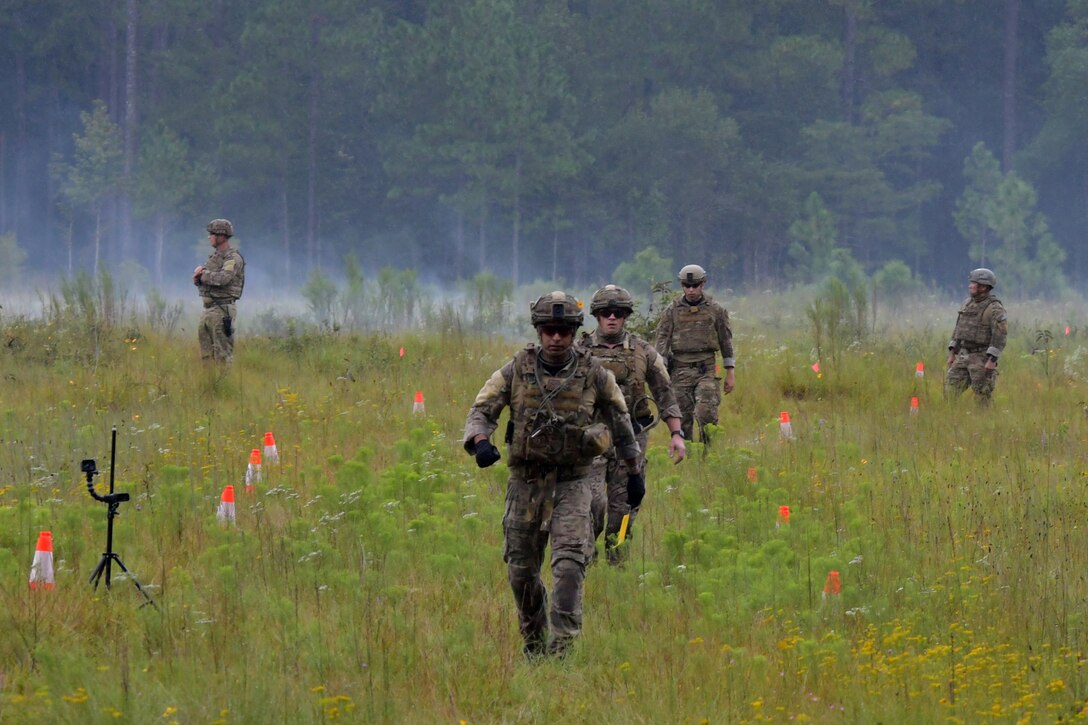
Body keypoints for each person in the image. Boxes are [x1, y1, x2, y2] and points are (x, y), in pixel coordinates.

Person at [463, 291, 643, 659]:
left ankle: (563, 651)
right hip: (526, 484)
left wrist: (632, 470)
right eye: (549, 330)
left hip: (573, 484)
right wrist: (480, 441)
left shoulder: (595, 374)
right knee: (521, 572)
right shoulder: (516, 370)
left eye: (563, 331)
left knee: (569, 567)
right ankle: (533, 643)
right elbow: (482, 409)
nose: (556, 338)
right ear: (539, 331)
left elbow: (621, 423)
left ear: (575, 332)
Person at [581, 284, 685, 565]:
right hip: (591, 441)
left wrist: (676, 433)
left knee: (624, 509)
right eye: (605, 313)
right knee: (590, 505)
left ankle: (617, 560)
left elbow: (664, 392)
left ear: (625, 316)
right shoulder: (580, 352)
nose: (611, 318)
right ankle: (586, 559)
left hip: (632, 440)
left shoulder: (643, 351)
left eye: (617, 313)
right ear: (597, 316)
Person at [654, 264, 735, 442]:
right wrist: (661, 372)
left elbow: (725, 340)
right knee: (682, 419)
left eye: (695, 286)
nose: (691, 290)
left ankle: (708, 453)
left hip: (705, 370)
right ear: (682, 286)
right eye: (686, 286)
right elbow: (662, 341)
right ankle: (688, 456)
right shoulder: (672, 311)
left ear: (702, 284)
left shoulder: (716, 310)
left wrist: (730, 372)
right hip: (679, 371)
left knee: (707, 413)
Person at [945, 268, 1006, 405]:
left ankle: (983, 423)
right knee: (950, 393)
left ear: (983, 286)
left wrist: (992, 360)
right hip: (963, 356)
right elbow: (959, 329)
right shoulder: (967, 303)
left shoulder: (994, 308)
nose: (970, 285)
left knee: (982, 397)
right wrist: (952, 352)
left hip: (982, 358)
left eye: (974, 283)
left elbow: (1000, 335)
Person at [193, 218, 245, 364]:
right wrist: (198, 279)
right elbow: (207, 283)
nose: (209, 237)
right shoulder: (214, 258)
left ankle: (223, 384)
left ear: (221, 236)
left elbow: (223, 279)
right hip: (209, 310)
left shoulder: (232, 258)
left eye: (212, 234)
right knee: (206, 357)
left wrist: (202, 275)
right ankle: (210, 384)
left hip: (222, 310)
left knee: (222, 355)